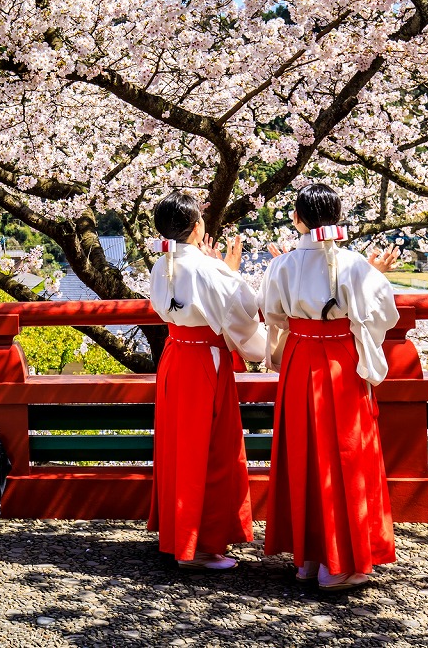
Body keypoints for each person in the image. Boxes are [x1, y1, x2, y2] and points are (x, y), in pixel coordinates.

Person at [260, 183, 401, 591]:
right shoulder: (356, 265)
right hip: (341, 362)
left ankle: (309, 558)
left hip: (300, 360)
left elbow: (273, 315)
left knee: (303, 453)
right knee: (345, 455)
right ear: (337, 216)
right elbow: (383, 315)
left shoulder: (281, 265)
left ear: (296, 219)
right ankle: (339, 563)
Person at [147, 190, 268, 571]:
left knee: (178, 447)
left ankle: (179, 536)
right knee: (211, 451)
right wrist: (231, 273)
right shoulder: (209, 269)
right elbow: (244, 318)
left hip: (175, 358)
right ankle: (201, 546)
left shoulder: (160, 266)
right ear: (198, 227)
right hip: (205, 362)